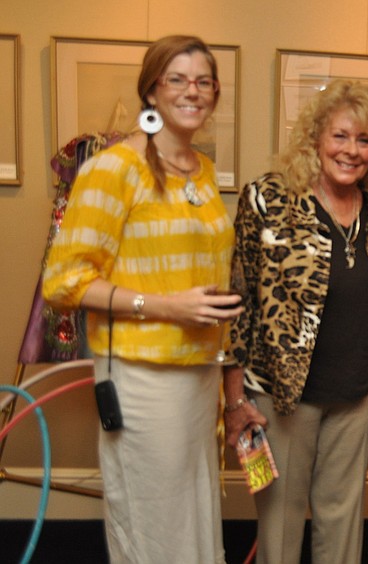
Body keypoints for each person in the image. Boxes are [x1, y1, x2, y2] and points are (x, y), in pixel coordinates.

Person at [42, 35, 240, 563]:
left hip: (198, 373)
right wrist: (166, 307)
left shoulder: (199, 169)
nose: (192, 91)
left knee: (193, 520)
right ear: (152, 89)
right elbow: (64, 281)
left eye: (203, 81)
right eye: (177, 79)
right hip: (141, 375)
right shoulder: (114, 169)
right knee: (156, 526)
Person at [222, 79, 368, 564]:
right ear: (316, 137)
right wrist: (234, 400)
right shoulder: (267, 199)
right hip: (280, 401)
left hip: (354, 399)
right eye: (341, 136)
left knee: (342, 527)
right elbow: (239, 305)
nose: (351, 150)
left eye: (364, 141)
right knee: (279, 528)